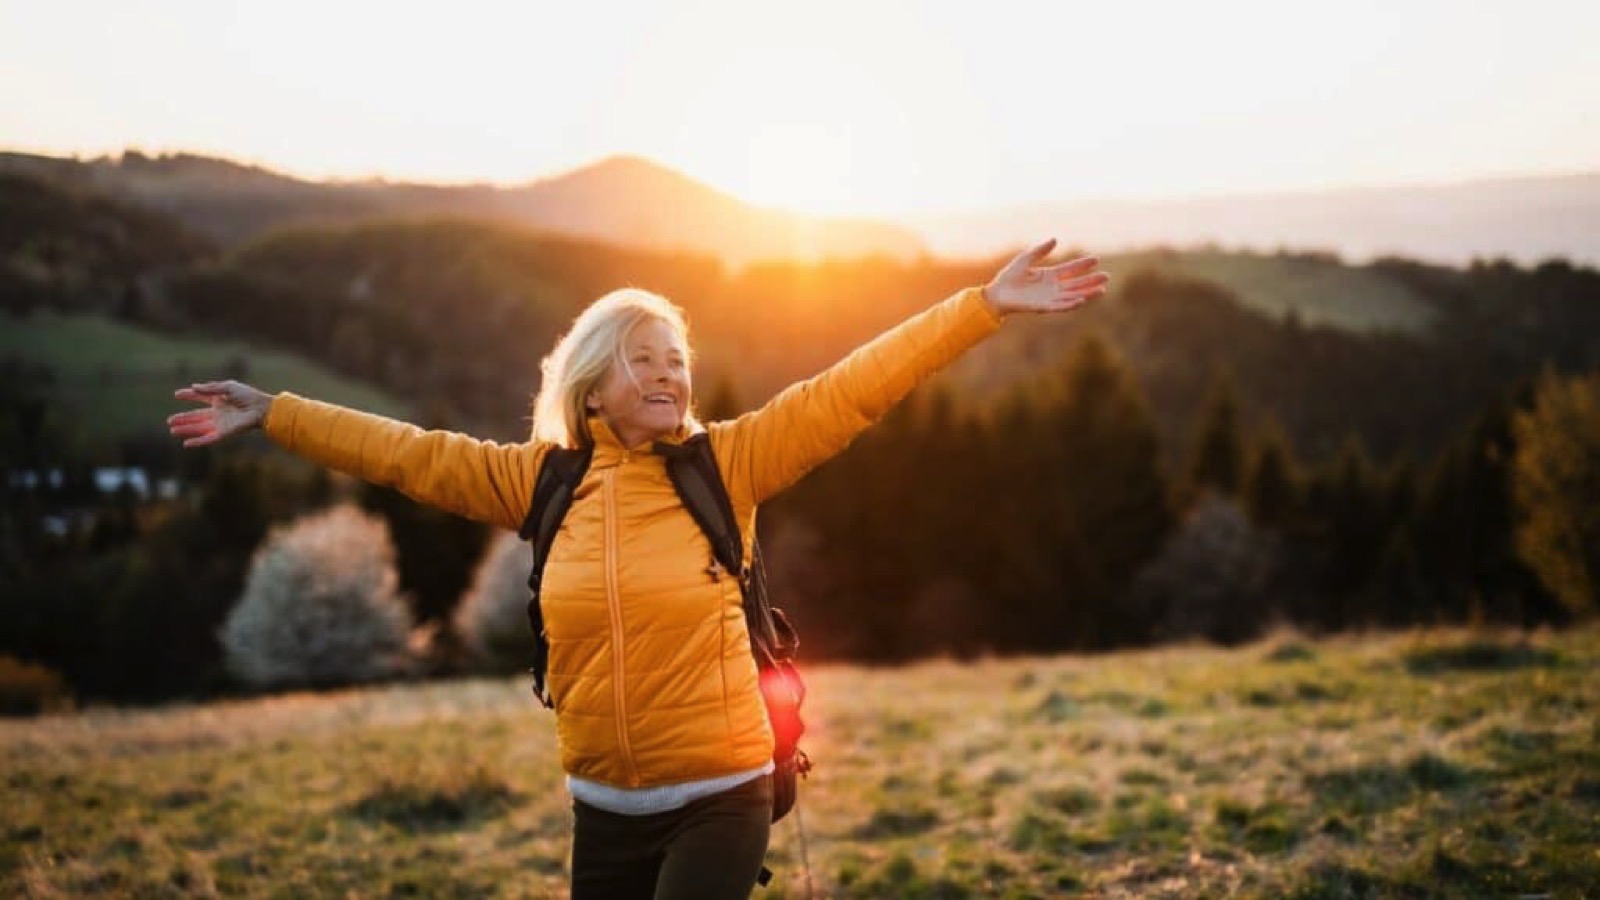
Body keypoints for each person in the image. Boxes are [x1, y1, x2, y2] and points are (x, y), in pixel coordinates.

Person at [167, 238, 1107, 898]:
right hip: (602, 807)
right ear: (592, 385)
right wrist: (274, 412)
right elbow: (405, 453)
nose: (669, 376)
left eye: (678, 360)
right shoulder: (539, 484)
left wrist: (979, 307)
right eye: (643, 360)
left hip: (723, 793)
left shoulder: (729, 465)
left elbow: (854, 387)